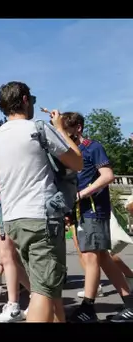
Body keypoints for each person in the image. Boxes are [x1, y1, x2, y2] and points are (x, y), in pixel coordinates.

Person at [0, 81, 83, 323]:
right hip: (40, 217)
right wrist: (61, 129)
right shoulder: (37, 128)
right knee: (43, 291)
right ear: (24, 99)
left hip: (13, 219)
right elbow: (77, 162)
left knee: (45, 285)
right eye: (31, 98)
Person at [60, 112, 133, 322]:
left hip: (93, 210)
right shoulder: (72, 153)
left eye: (66, 130)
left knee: (91, 257)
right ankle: (129, 304)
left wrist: (82, 194)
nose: (63, 134)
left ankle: (88, 308)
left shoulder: (93, 147)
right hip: (80, 212)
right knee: (103, 259)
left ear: (78, 128)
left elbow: (108, 175)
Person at [0, 130, 31, 323]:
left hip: (5, 207)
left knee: (9, 258)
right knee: (5, 258)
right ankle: (37, 295)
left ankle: (13, 305)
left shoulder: (6, 162)